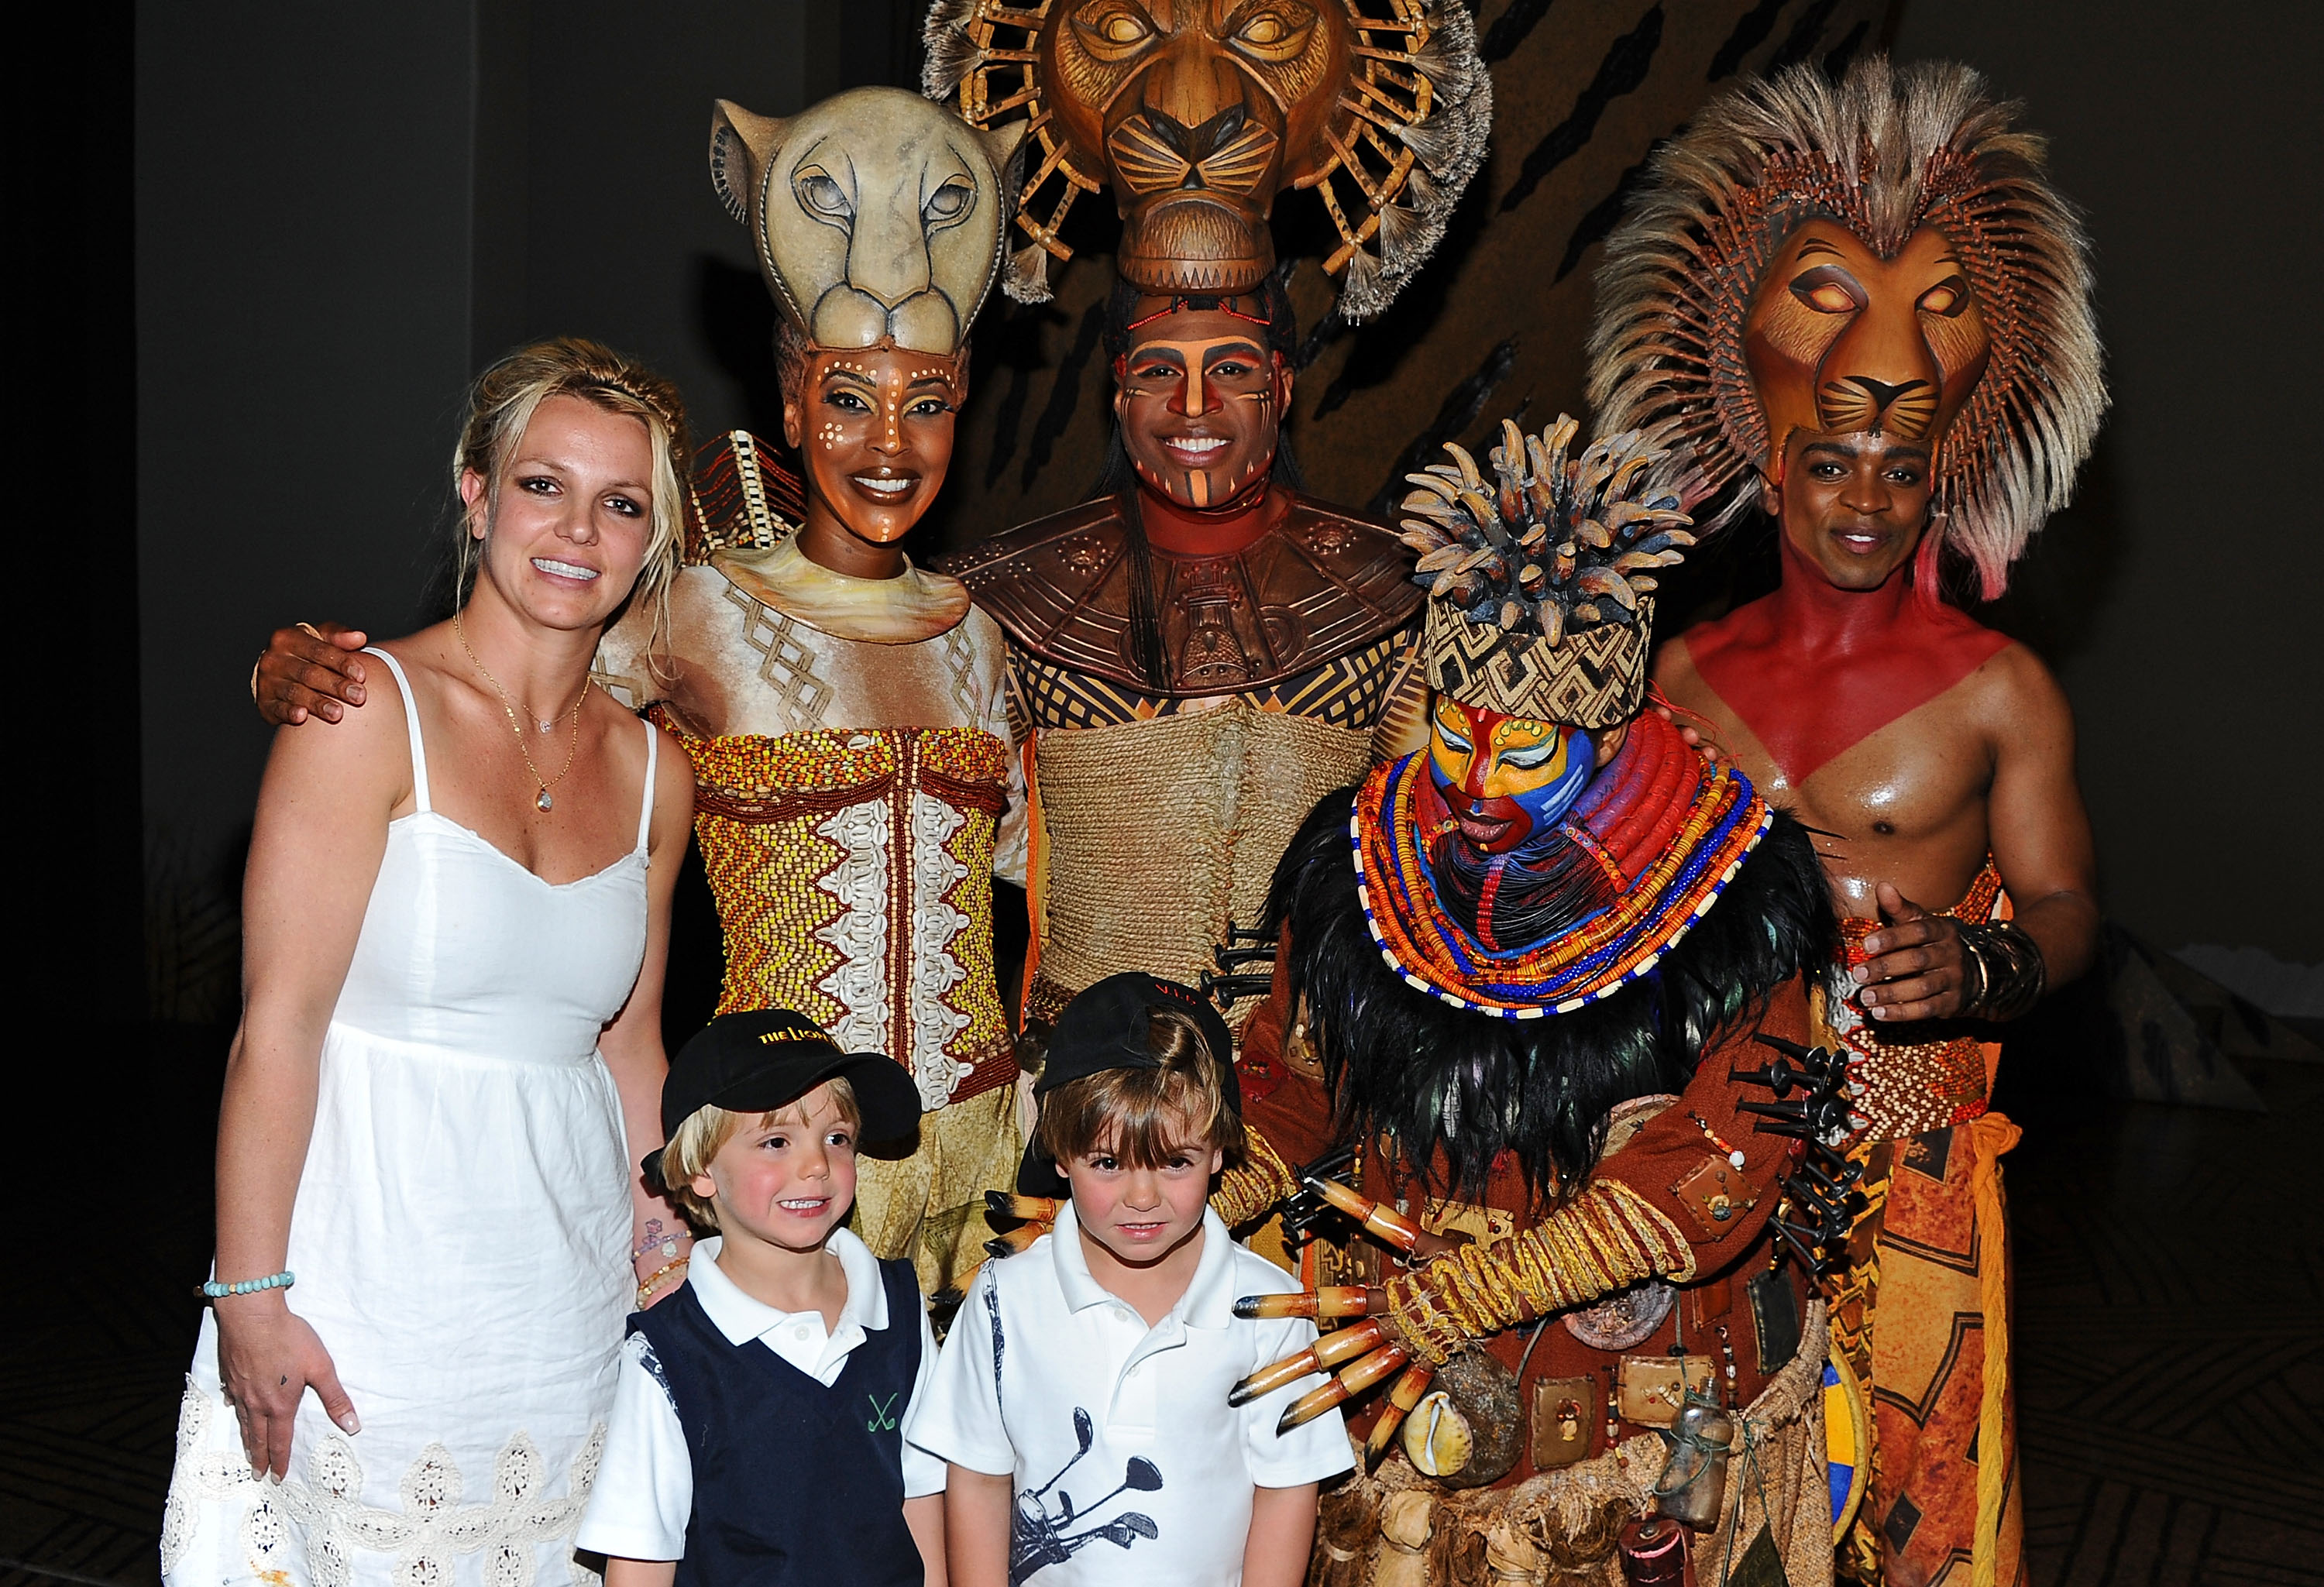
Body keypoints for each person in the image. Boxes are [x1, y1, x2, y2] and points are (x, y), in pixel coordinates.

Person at [249, 86, 1033, 1301]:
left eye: (926, 404)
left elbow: (1037, 887)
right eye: (848, 399)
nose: (889, 441)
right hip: (774, 1165)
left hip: (977, 1177)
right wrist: (289, 666)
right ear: (790, 407)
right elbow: (502, 687)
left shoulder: (982, 638)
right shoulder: (689, 614)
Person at [1590, 57, 2106, 1582]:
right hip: (1708, 1143)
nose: (1867, 497)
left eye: (1900, 465)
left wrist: (1981, 963)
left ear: (1934, 471)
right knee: (1697, 1508)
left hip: (1907, 1160)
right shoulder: (1680, 674)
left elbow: (2073, 914)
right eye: (1832, 462)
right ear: (1774, 466)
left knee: (1907, 1519)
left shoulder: (2001, 689)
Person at [1219, 417, 1847, 1582]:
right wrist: (1175, 1196)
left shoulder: (1734, 888)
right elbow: (1290, 1079)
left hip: (1628, 1409)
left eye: (1525, 756)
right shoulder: (1358, 855)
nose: (1474, 787)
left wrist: (1493, 1285)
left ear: (1606, 731)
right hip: (1398, 1378)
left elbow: (1730, 1151)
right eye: (1455, 737)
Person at [161, 338, 698, 1587]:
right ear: (475, 492)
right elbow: (275, 1029)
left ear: (653, 539)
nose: (578, 531)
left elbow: (629, 1047)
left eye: (620, 504)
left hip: (561, 1305)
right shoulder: (362, 712)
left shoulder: (658, 772)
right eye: (542, 485)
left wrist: (671, 1255)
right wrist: (248, 1293)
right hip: (367, 1284)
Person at [908, 974, 1353, 1587]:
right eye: (1108, 1162)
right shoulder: (1002, 1296)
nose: (1142, 1197)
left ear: (1219, 1150)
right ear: (1060, 1152)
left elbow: (1287, 1488)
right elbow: (980, 1474)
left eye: (1175, 1161)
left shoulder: (1272, 1310)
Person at [579, 1008, 944, 1587]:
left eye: (837, 1137)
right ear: (701, 1167)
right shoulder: (670, 1353)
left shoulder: (898, 1307)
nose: (816, 1165)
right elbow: (641, 1556)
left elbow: (923, 1497)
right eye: (776, 1141)